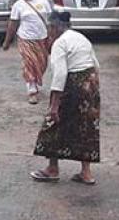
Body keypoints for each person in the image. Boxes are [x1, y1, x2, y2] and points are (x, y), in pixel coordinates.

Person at [30, 11, 100, 185]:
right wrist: (93, 90)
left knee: (53, 124)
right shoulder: (81, 38)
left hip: (73, 85)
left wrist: (54, 106)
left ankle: (52, 169)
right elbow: (95, 65)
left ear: (54, 28)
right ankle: (86, 173)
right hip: (90, 84)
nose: (48, 32)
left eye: (49, 28)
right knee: (86, 127)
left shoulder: (60, 43)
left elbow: (60, 75)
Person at [2, 0, 53, 104]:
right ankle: (32, 91)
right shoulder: (18, 5)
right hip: (25, 39)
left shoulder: (43, 1)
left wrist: (53, 37)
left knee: (41, 65)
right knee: (29, 64)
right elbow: (13, 24)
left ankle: (36, 82)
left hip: (42, 39)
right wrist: (7, 41)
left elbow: (51, 21)